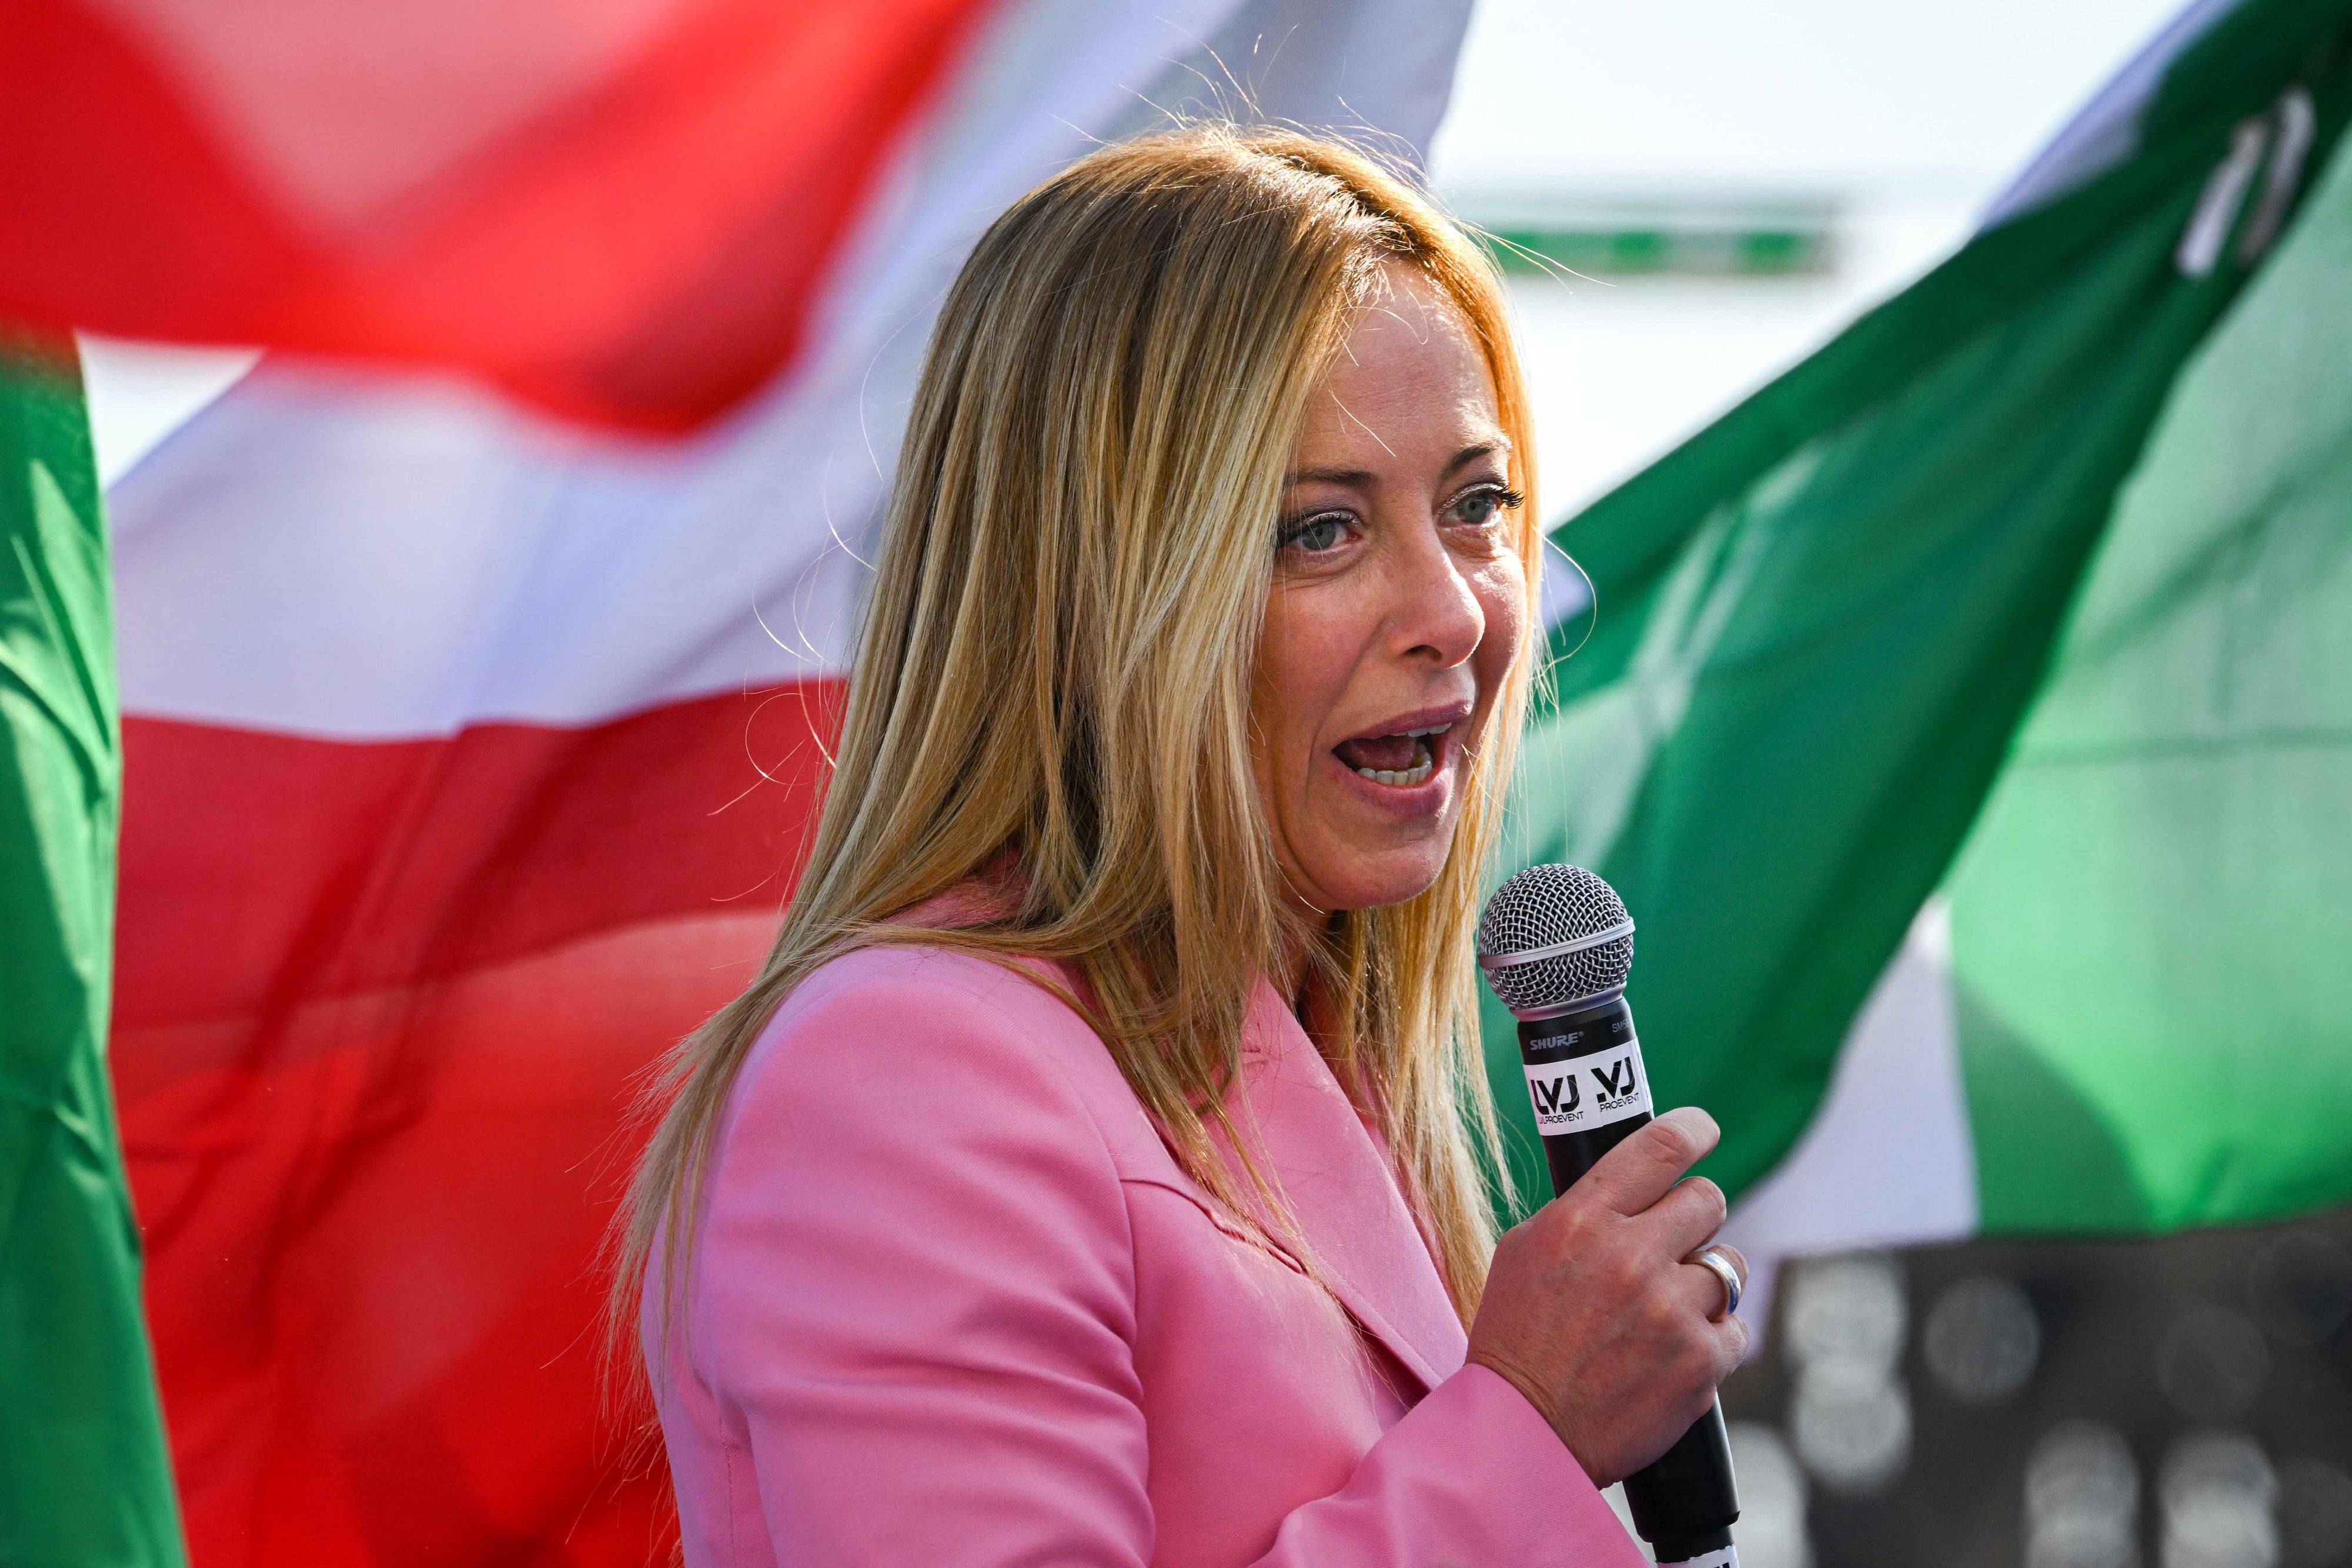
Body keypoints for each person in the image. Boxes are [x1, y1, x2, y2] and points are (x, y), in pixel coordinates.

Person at [613, 125, 1749, 1566]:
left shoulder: (1321, 1068)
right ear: (1095, 594)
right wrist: (1522, 1426)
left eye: (1475, 506)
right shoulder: (905, 1075)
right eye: (1319, 530)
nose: (1456, 611)